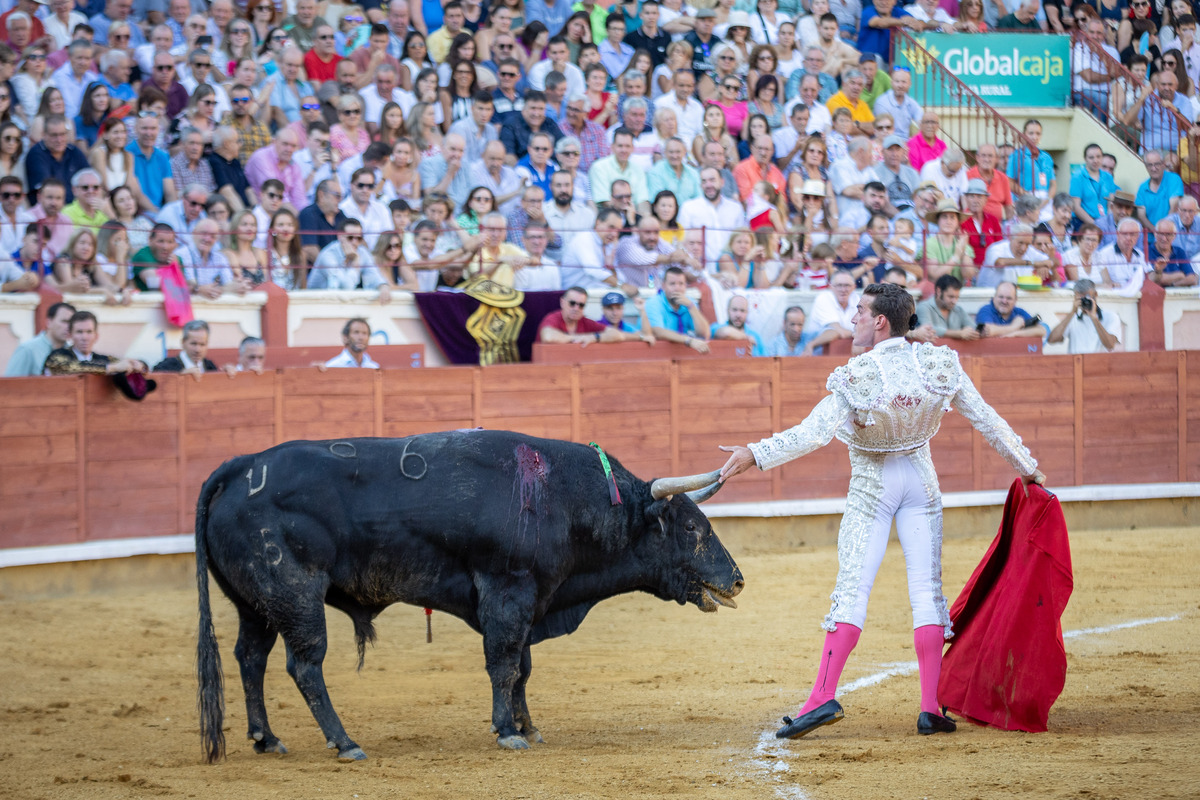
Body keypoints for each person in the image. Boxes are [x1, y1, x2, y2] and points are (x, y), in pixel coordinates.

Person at [717, 282, 1044, 741]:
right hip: (921, 483)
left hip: (874, 485)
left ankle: (822, 696)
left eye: (859, 311)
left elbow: (812, 433)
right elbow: (986, 418)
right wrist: (1029, 469)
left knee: (853, 588)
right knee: (927, 591)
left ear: (880, 321)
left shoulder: (859, 374)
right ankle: (930, 707)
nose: (852, 318)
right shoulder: (937, 361)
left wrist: (754, 453)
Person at [43, 310, 150, 377]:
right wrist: (113, 368)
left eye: (89, 332)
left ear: (96, 336)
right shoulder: (57, 356)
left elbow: (123, 362)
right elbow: (73, 367)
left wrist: (138, 364)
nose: (84, 337)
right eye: (79, 332)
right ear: (70, 335)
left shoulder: (103, 359)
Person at [538, 285, 648, 343]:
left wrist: (594, 337)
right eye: (572, 303)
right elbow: (548, 337)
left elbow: (616, 335)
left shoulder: (585, 321)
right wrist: (581, 338)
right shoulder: (553, 318)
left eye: (581, 305)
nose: (576, 308)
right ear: (562, 302)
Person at [1046, 278, 1121, 353]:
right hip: (1077, 363)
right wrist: (1072, 312)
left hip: (1100, 363)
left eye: (1087, 298)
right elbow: (1051, 340)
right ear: (1075, 297)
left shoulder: (1111, 316)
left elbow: (1110, 345)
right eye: (1081, 298)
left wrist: (1094, 318)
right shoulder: (1073, 318)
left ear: (1095, 294)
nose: (1084, 301)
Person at [4, 301, 74, 376]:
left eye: (71, 323)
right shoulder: (28, 349)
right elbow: (10, 383)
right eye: (64, 321)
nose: (68, 327)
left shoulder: (72, 352)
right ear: (49, 322)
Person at [975, 281, 1048, 339]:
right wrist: (1014, 327)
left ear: (1015, 300)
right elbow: (987, 331)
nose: (1004, 301)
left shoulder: (1019, 312)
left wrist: (1015, 334)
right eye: (1001, 297)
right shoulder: (986, 310)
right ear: (994, 298)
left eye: (1009, 298)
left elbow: (1042, 330)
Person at [153, 319, 219, 376]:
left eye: (202, 344)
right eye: (193, 344)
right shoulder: (166, 366)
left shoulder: (210, 366)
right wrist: (180, 375)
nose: (197, 350)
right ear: (183, 342)